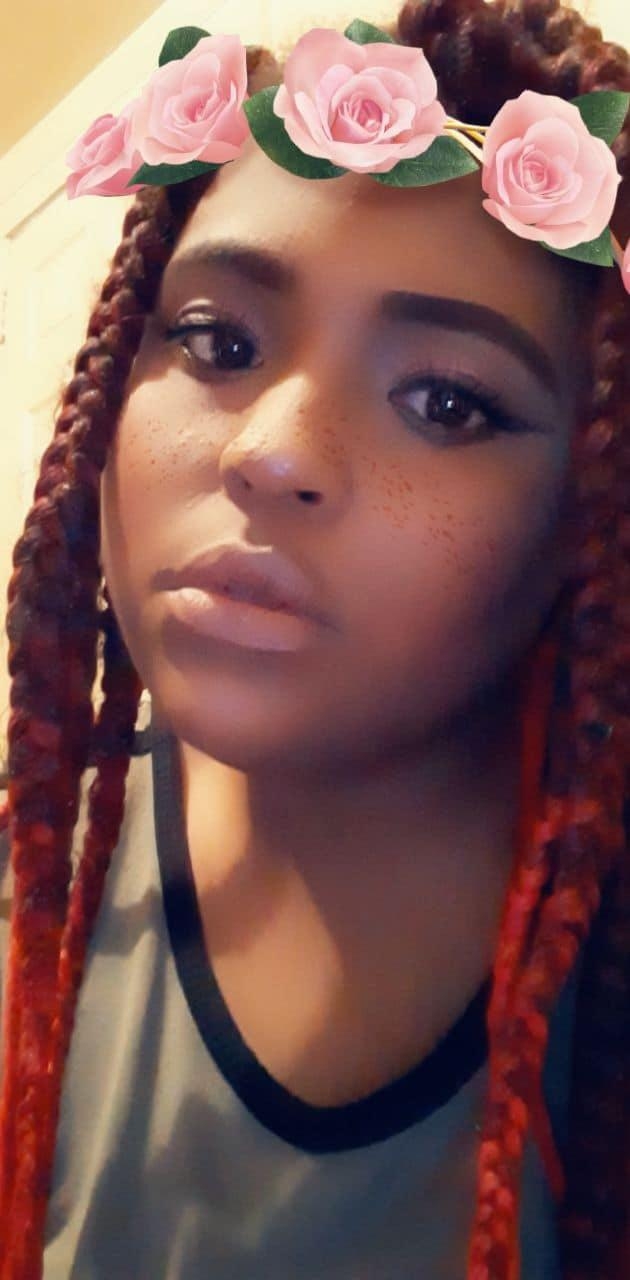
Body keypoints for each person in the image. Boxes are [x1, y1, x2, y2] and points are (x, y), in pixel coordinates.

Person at [0, 0, 629, 1275]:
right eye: (217, 341)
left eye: (446, 401)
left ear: (592, 512)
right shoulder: (38, 866)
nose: (271, 450)